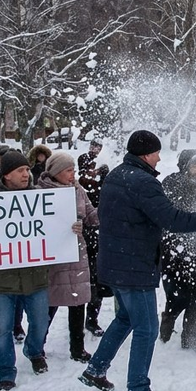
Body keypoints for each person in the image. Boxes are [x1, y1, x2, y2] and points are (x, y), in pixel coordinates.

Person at [77, 130, 196, 391]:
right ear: (146, 154)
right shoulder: (143, 182)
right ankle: (137, 390)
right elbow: (171, 219)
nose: (160, 158)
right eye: (157, 152)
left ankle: (96, 369)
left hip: (114, 261)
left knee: (125, 318)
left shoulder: (117, 175)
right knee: (146, 329)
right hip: (134, 265)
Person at [0, 151, 71, 391]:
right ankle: (6, 373)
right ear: (7, 174)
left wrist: (70, 228)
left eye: (27, 170)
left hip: (35, 276)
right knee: (2, 330)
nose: (26, 174)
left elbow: (54, 230)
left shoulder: (39, 199)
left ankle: (34, 351)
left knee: (40, 322)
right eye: (21, 170)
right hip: (1, 281)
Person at [37, 152, 97, 363]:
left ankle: (77, 348)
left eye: (74, 170)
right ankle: (37, 347)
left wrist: (110, 207)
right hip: (52, 257)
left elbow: (91, 216)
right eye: (68, 170)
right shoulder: (38, 193)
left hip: (76, 254)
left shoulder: (78, 190)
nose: (73, 174)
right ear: (56, 172)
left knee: (77, 301)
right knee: (49, 305)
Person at [158, 149, 196, 352]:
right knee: (178, 292)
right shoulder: (172, 182)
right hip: (175, 247)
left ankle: (189, 333)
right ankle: (170, 322)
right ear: (185, 165)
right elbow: (175, 213)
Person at [78, 140, 111, 336]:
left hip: (99, 234)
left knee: (96, 282)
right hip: (83, 237)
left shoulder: (104, 180)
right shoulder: (79, 187)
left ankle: (92, 319)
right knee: (83, 282)